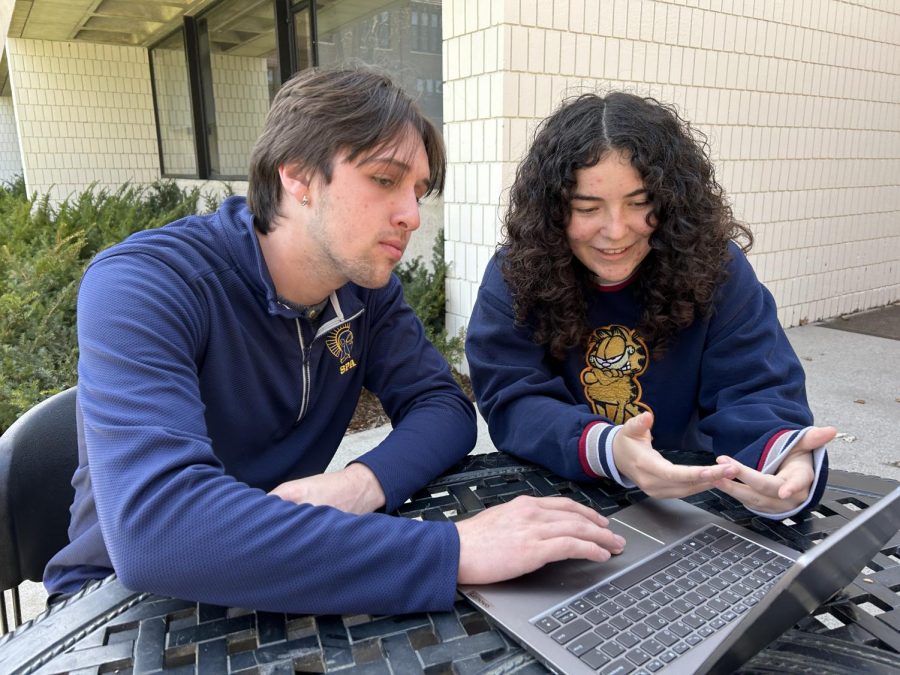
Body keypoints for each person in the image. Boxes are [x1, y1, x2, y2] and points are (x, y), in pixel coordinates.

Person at [44, 67, 625, 616]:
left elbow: (444, 406)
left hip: (299, 574)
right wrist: (451, 551)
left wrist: (360, 484)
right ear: (295, 175)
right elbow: (158, 530)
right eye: (383, 179)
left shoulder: (362, 288)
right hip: (123, 607)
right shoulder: (146, 283)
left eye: (418, 190)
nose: (411, 215)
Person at [466, 92, 836, 520]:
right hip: (556, 497)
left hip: (691, 493)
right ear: (552, 211)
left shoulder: (717, 268)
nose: (616, 231)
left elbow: (754, 384)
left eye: (640, 204)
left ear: (670, 201)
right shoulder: (516, 272)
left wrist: (785, 461)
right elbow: (513, 397)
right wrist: (609, 448)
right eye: (587, 207)